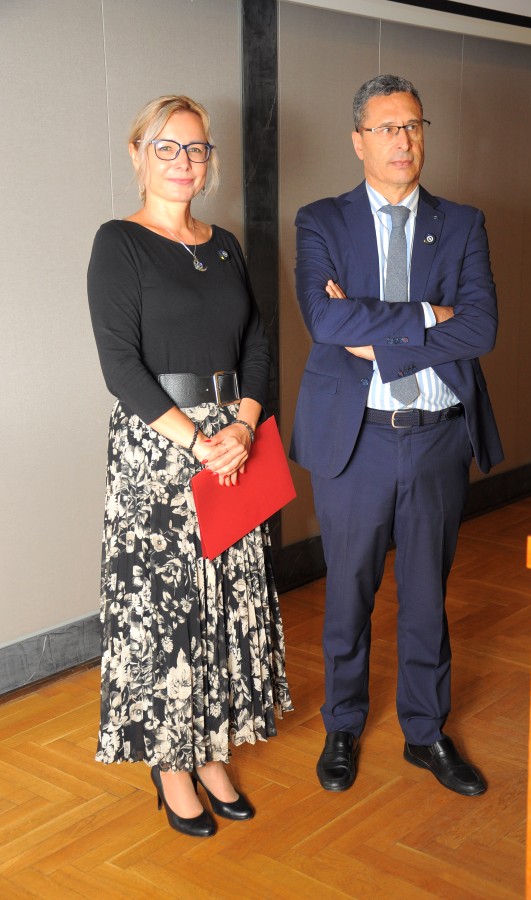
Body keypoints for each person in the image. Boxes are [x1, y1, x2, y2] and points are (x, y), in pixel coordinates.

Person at [290, 74, 503, 797]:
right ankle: (343, 724)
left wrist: (379, 338)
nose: (403, 140)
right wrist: (430, 317)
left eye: (413, 125)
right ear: (359, 141)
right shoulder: (321, 221)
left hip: (438, 437)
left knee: (425, 594)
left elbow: (482, 328)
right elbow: (326, 322)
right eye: (386, 128)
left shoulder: (463, 223)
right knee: (349, 591)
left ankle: (425, 731)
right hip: (357, 440)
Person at [88, 95, 292, 837]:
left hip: (234, 442)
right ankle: (170, 762)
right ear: (138, 155)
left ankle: (210, 749)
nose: (184, 161)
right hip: (162, 450)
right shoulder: (119, 242)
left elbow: (258, 341)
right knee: (167, 608)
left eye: (196, 148)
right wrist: (198, 442)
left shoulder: (225, 244)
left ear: (210, 162)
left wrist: (243, 423)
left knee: (224, 605)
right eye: (167, 147)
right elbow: (121, 365)